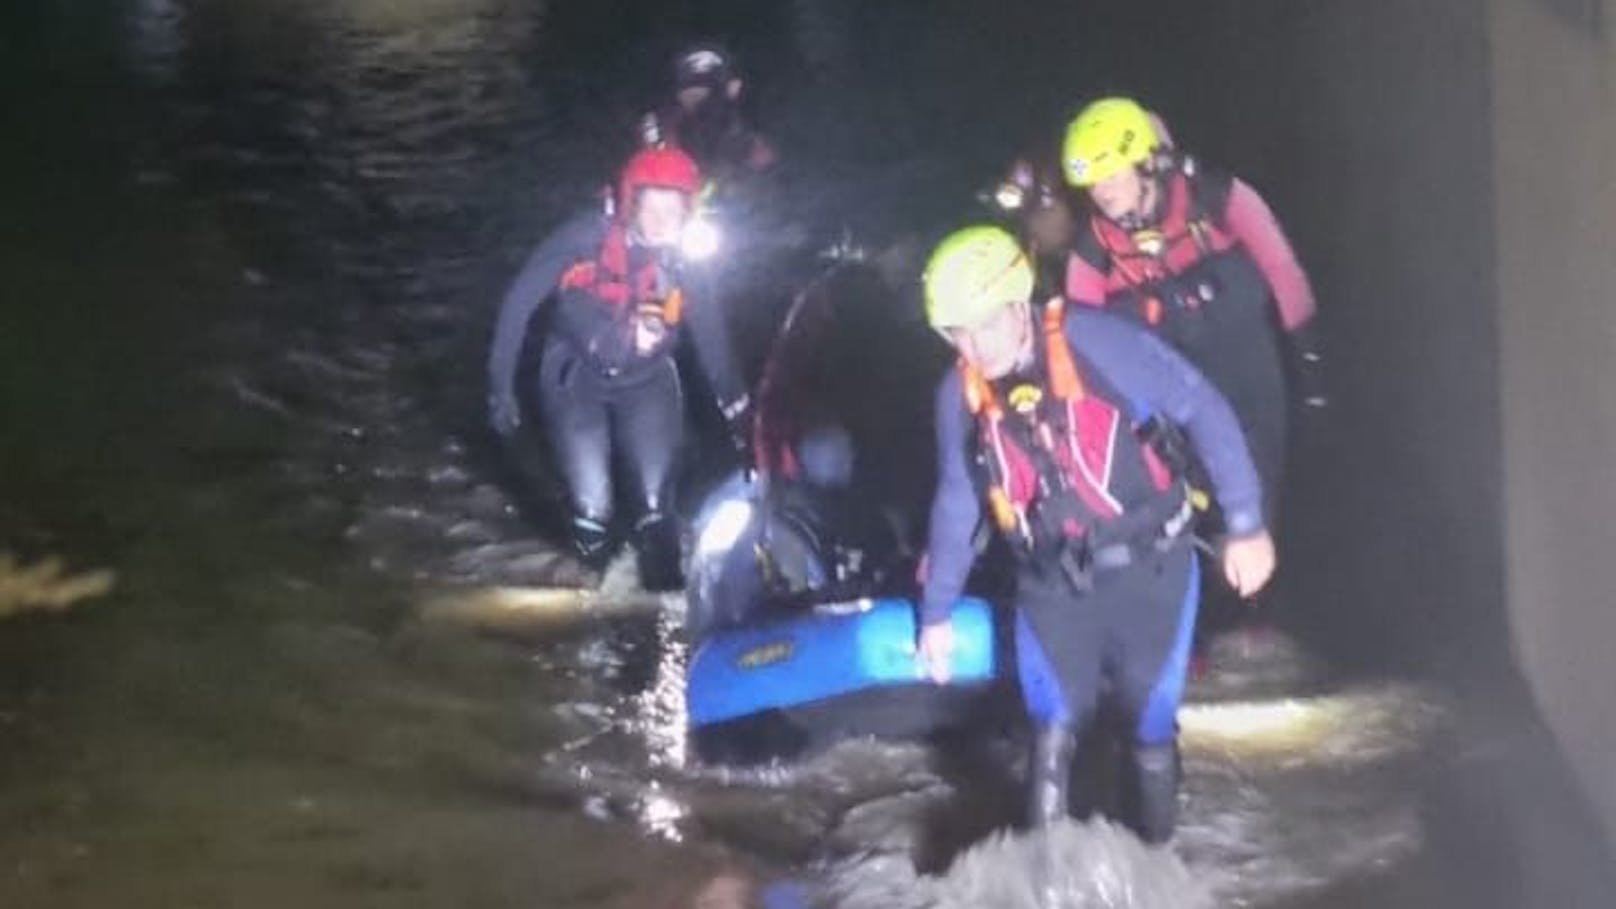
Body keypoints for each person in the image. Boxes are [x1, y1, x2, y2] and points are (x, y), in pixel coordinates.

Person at [914, 226, 1276, 842]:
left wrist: (1246, 523)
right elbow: (957, 499)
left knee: (1149, 721)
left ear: (1018, 302)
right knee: (1052, 729)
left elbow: (1205, 408)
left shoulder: (1102, 342)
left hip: (1151, 566)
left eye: (990, 322)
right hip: (1051, 582)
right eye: (959, 332)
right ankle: (1048, 885)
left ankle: (1161, 872)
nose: (979, 344)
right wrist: (937, 613)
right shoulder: (959, 395)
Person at [486, 146, 750, 589]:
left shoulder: (685, 258)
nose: (664, 220)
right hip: (576, 375)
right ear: (632, 201)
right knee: (593, 509)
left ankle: (664, 599)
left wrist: (739, 407)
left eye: (675, 208)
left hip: (647, 379)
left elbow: (710, 333)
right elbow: (519, 302)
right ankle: (591, 591)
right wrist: (501, 387)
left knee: (656, 507)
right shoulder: (581, 239)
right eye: (653, 205)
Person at [1061, 97, 1325, 519]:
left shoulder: (1214, 196)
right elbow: (1082, 350)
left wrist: (1309, 363)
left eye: (1110, 173)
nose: (1101, 191)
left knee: (1259, 494)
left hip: (1245, 366)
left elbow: (1282, 270)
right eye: (1092, 182)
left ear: (1146, 162)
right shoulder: (1093, 254)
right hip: (1171, 391)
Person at [641, 42, 777, 183]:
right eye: (691, 93)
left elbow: (770, 177)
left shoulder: (749, 134)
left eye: (711, 94)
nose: (700, 101)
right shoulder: (661, 128)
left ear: (733, 89)